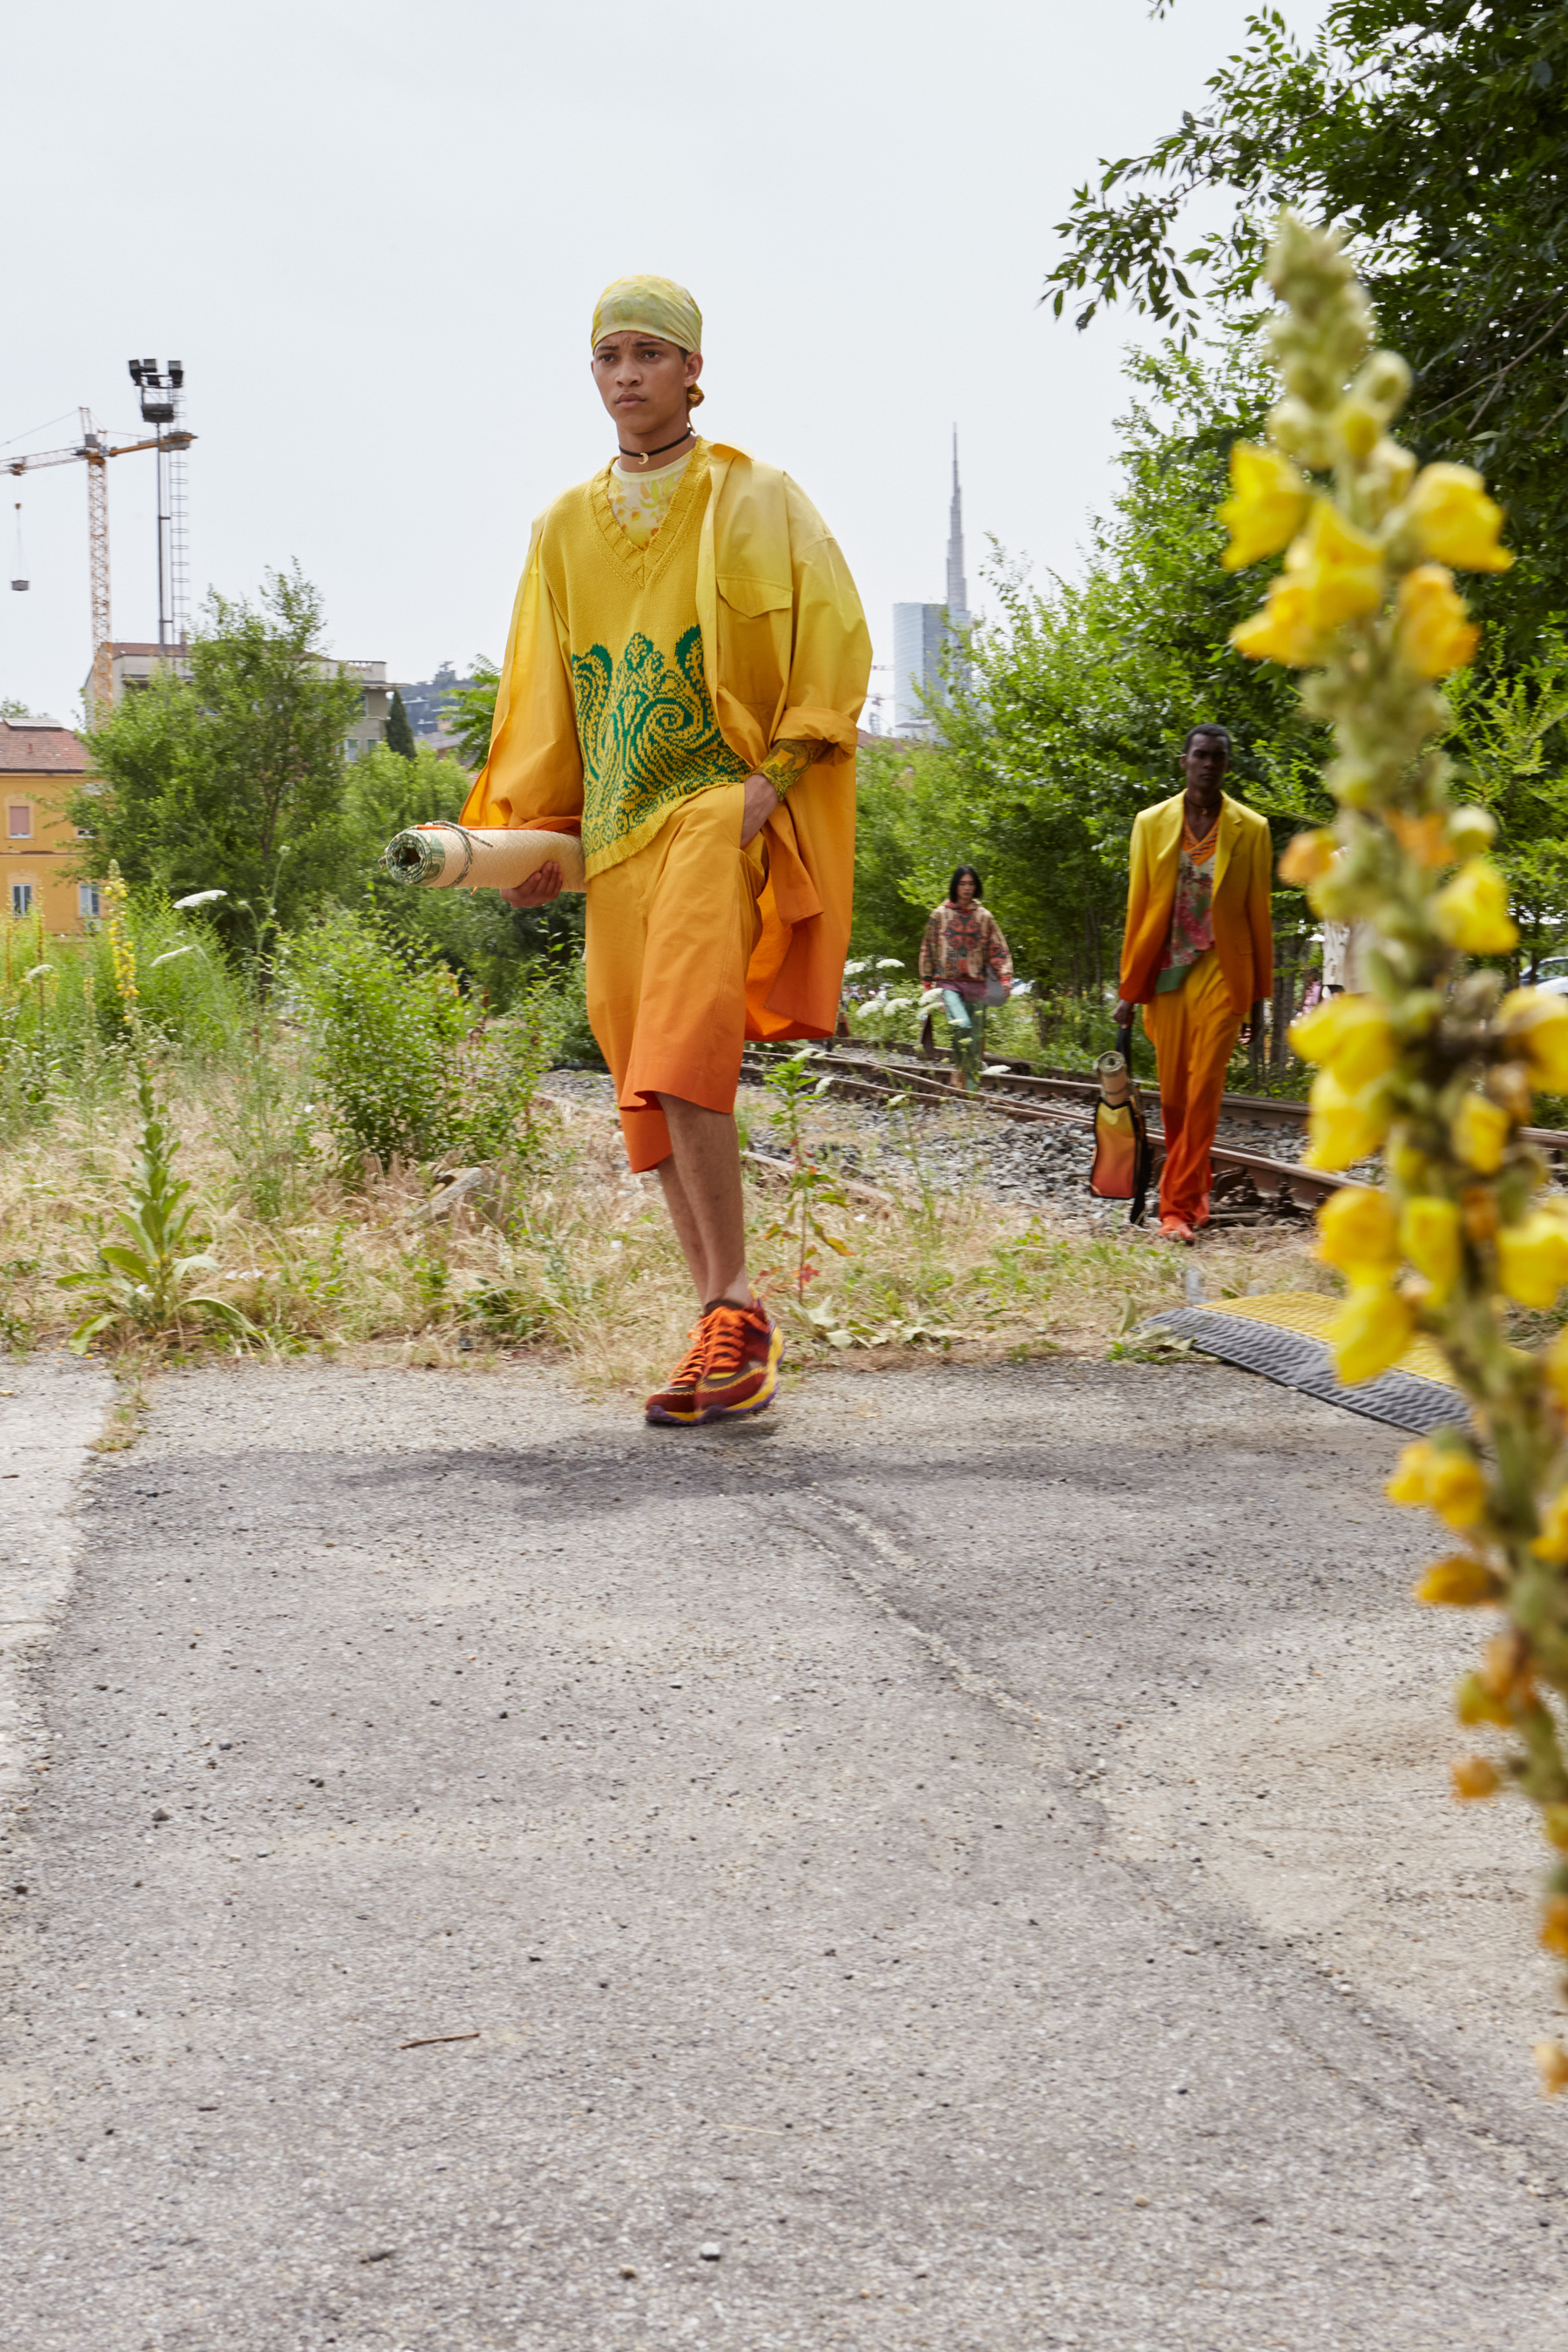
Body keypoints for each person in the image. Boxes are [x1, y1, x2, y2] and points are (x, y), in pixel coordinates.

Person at [459, 275, 869, 1424]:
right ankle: (718, 1324)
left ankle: (736, 1310)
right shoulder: (559, 527)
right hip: (618, 833)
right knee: (641, 1076)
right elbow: (538, 697)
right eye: (608, 355)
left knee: (687, 1048)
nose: (627, 373)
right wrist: (527, 841)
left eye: (649, 352)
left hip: (711, 813)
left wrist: (768, 787)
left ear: (695, 369)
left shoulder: (757, 497)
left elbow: (833, 637)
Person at [1113, 724, 1273, 1243]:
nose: (1209, 764)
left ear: (1227, 765)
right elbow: (1139, 909)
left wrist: (1259, 999)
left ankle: (1175, 1210)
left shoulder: (1252, 828)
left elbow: (1257, 915)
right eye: (1200, 755)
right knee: (1178, 1097)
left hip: (1223, 972)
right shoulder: (1150, 823)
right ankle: (1195, 1192)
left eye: (1218, 757)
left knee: (1205, 1088)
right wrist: (1129, 991)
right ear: (1184, 761)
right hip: (1166, 974)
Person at [918, 865, 1013, 1086]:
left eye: (971, 884)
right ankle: (968, 1080)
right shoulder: (939, 915)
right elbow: (928, 948)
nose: (967, 888)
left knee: (975, 1035)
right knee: (963, 1026)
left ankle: (967, 1084)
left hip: (977, 984)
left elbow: (998, 948)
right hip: (947, 983)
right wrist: (927, 983)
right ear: (955, 886)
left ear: (976, 886)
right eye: (963, 883)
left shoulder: (984, 917)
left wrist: (1005, 977)